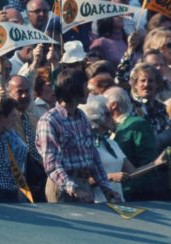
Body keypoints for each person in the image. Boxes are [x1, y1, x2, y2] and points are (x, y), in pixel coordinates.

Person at [36, 69, 121, 203]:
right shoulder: (49, 121)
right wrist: (74, 189)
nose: (88, 91)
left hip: (83, 184)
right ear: (73, 89)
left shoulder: (82, 117)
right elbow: (51, 164)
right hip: (62, 187)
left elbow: (93, 157)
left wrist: (106, 188)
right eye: (85, 86)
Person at [79, 95, 133, 203]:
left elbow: (132, 172)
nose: (113, 118)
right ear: (96, 118)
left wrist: (157, 162)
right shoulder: (85, 145)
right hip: (97, 204)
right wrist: (110, 177)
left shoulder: (112, 144)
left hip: (118, 202)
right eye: (108, 114)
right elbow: (82, 181)